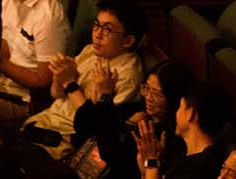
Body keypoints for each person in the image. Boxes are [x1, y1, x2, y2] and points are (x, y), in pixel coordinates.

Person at [21, 4, 146, 154]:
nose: (97, 34)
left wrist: (69, 83)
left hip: (65, 139)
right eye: (96, 25)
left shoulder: (128, 75)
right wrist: (59, 75)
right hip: (45, 121)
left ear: (128, 41)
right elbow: (56, 94)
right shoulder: (90, 51)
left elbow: (94, 126)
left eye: (107, 29)